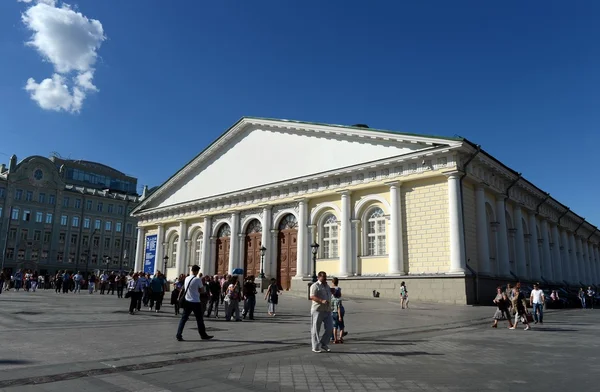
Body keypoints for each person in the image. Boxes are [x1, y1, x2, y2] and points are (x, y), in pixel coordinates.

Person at [176, 265, 213, 341]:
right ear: (196, 271)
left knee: (183, 319)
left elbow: (185, 288)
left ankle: (178, 334)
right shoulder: (197, 279)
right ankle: (203, 335)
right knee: (199, 319)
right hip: (196, 301)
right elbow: (202, 291)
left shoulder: (186, 278)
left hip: (187, 301)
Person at [309, 271, 333, 353]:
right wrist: (321, 300)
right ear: (319, 277)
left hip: (327, 310)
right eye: (323, 277)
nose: (325, 278)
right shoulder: (315, 286)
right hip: (318, 310)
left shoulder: (327, 286)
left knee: (330, 328)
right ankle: (315, 346)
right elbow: (312, 296)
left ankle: (323, 343)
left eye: (326, 277)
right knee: (316, 328)